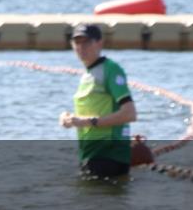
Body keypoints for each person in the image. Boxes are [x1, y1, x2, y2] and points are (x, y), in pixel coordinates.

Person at [59, 23, 138, 179]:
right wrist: (70, 119)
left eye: (87, 42)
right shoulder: (87, 75)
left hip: (108, 154)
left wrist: (88, 122)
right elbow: (92, 113)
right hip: (91, 152)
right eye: (77, 42)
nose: (81, 47)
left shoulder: (110, 69)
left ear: (100, 43)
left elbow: (130, 114)